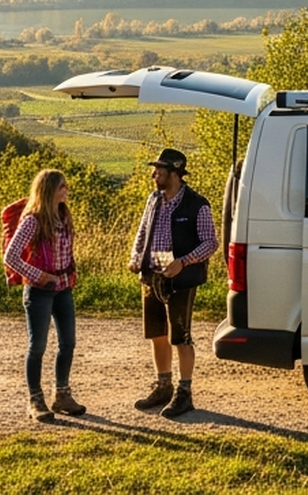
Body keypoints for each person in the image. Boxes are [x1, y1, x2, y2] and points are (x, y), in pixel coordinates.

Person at [127, 147, 217, 417]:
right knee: (157, 333)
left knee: (181, 337)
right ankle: (163, 385)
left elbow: (210, 243)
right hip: (151, 275)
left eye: (160, 170)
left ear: (175, 173)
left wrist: (184, 261)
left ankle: (184, 392)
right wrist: (135, 258)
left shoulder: (197, 204)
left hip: (181, 279)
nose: (154, 174)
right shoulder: (153, 199)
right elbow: (142, 232)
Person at [4, 168, 84, 421]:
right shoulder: (32, 221)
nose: (67, 190)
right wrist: (38, 275)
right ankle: (35, 400)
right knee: (37, 346)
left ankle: (62, 395)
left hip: (63, 288)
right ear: (50, 190)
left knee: (68, 343)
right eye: (62, 186)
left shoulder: (63, 216)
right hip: (39, 291)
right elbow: (11, 257)